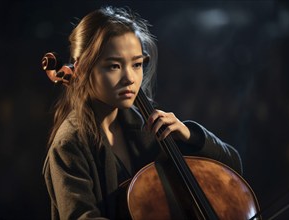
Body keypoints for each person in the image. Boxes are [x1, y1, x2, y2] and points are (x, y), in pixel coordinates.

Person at [42, 6, 243, 220]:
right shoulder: (69, 145)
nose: (130, 78)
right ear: (81, 69)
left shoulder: (145, 127)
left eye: (137, 64)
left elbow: (232, 171)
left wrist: (190, 135)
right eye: (114, 66)